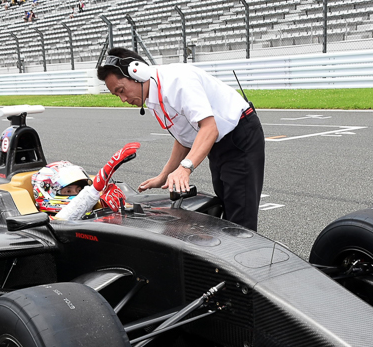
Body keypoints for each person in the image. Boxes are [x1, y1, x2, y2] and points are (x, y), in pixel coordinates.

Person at [97, 47, 265, 230]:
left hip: (240, 135)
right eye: (117, 95)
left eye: (121, 90)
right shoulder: (153, 96)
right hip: (217, 142)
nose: (122, 99)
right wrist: (164, 175)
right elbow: (184, 137)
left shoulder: (178, 82)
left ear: (138, 73)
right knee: (226, 204)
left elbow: (209, 128)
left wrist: (185, 168)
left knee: (240, 218)